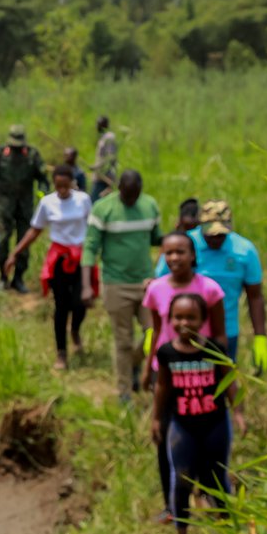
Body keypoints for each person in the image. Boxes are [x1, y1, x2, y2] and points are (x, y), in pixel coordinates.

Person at [142, 231, 227, 523]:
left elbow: (218, 335)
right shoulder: (156, 289)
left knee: (204, 436)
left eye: (180, 252)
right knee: (167, 438)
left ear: (193, 255)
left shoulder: (210, 289)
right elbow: (155, 331)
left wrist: (225, 375)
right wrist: (147, 368)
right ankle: (172, 505)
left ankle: (208, 496)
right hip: (166, 372)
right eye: (169, 253)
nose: (174, 258)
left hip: (201, 375)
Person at [152, 293, 245, 534]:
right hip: (182, 425)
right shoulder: (167, 352)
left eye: (191, 317)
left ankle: (227, 525)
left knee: (217, 475)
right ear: (169, 319)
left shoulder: (214, 348)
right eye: (178, 317)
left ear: (203, 320)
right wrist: (156, 419)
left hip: (215, 424)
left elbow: (228, 381)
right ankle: (182, 533)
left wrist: (237, 411)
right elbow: (162, 387)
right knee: (181, 477)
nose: (184, 323)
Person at [155, 200, 267, 370]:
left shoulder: (244, 251)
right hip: (183, 331)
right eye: (211, 234)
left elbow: (255, 296)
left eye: (221, 235)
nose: (216, 239)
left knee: (220, 386)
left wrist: (260, 337)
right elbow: (160, 288)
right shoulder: (183, 246)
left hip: (225, 331)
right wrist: (154, 330)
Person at [81, 170, 163, 401]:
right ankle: (124, 392)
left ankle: (136, 364)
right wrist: (87, 285)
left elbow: (156, 237)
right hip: (116, 284)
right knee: (123, 340)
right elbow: (90, 247)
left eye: (135, 196)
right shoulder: (103, 209)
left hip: (147, 283)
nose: (131, 201)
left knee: (155, 333)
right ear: (119, 189)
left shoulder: (149, 206)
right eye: (127, 196)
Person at [5, 163, 94, 370]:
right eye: (58, 186)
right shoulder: (47, 203)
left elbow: (93, 228)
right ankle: (61, 352)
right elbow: (34, 231)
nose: (62, 190)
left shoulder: (83, 200)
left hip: (80, 257)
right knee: (61, 306)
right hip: (59, 260)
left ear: (73, 183)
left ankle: (75, 330)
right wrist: (15, 253)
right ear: (54, 184)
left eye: (66, 186)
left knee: (81, 302)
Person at [0, 124, 49, 292]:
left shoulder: (32, 155)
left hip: (25, 204)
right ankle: (3, 276)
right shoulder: (0, 154)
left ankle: (18, 278)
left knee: (24, 240)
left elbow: (43, 178)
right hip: (3, 204)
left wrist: (42, 192)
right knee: (3, 239)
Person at [90, 115, 118, 202]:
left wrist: (96, 167)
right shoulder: (103, 137)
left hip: (105, 176)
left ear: (105, 125)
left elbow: (110, 157)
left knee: (96, 200)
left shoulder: (109, 137)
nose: (97, 126)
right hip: (99, 175)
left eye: (99, 124)